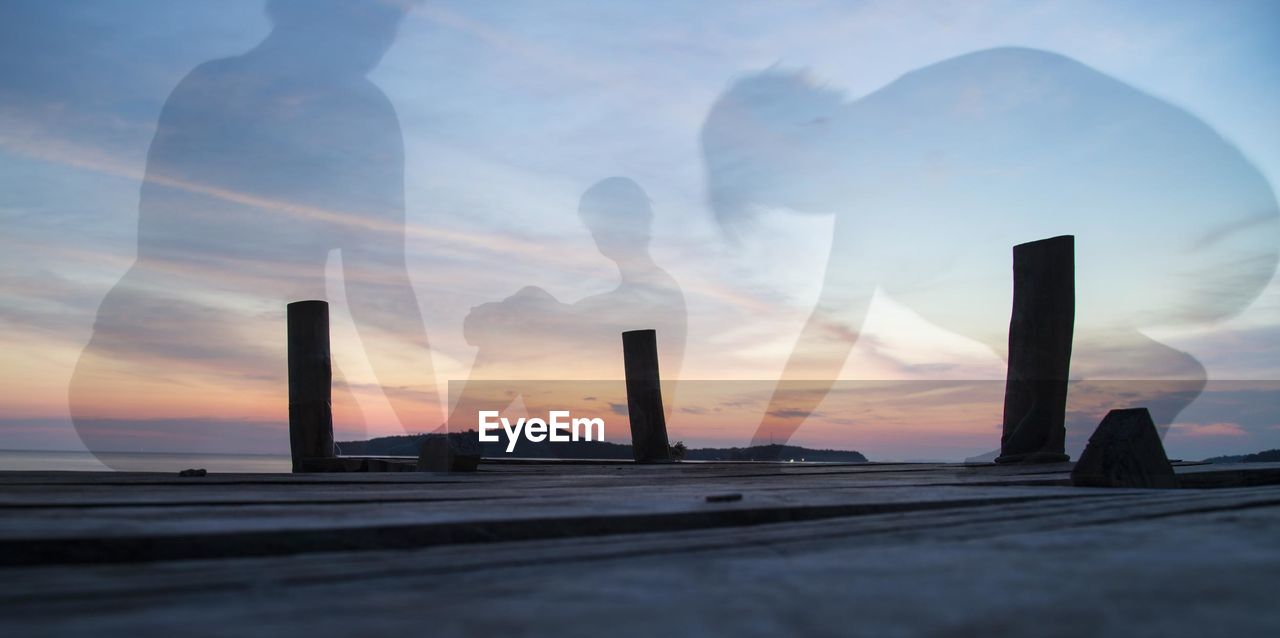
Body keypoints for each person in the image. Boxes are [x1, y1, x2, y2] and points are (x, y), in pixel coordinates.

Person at [701, 47, 1279, 448]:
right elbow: (830, 327)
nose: (806, 207)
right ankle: (1088, 399)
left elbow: (831, 325)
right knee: (897, 257)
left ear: (804, 125)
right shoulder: (882, 164)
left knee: (913, 265)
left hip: (1199, 221)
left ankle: (1076, 403)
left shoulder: (919, 116)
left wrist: (764, 445)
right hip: (1196, 227)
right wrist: (765, 444)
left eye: (780, 186)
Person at [70, 0, 436, 464]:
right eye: (366, 16)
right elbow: (379, 279)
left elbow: (379, 279)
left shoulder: (212, 84)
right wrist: (433, 429)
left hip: (145, 374)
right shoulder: (358, 111)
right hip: (165, 377)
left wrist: (432, 427)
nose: (383, 36)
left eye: (391, 20)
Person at [452, 177, 686, 433]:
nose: (600, 234)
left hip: (618, 421)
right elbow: (567, 320)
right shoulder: (628, 295)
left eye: (606, 223)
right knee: (528, 305)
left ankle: (456, 433)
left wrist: (512, 313)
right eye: (595, 227)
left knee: (526, 311)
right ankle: (456, 433)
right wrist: (508, 312)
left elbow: (570, 323)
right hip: (601, 411)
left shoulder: (654, 292)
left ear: (640, 221)